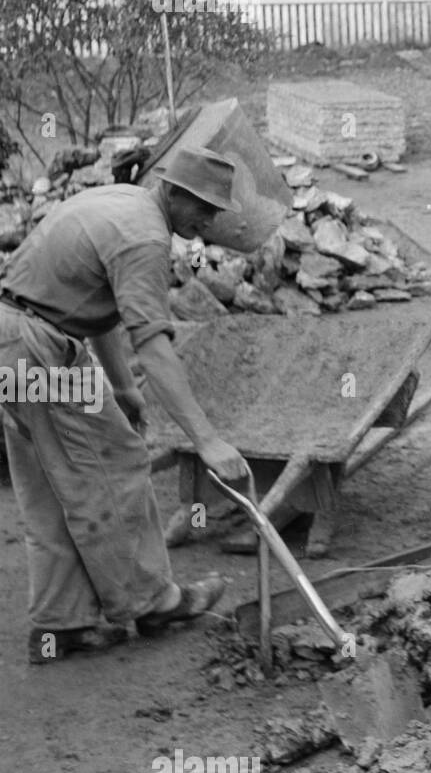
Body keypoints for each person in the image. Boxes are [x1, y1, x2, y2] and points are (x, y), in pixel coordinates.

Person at [0, 147, 250, 663]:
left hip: (15, 338)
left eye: (214, 212)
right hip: (38, 349)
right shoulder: (146, 238)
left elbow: (102, 308)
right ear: (173, 191)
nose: (207, 222)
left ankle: (60, 626)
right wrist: (206, 439)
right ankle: (155, 604)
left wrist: (122, 387)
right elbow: (154, 347)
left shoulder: (123, 203)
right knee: (115, 466)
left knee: (53, 484)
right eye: (202, 208)